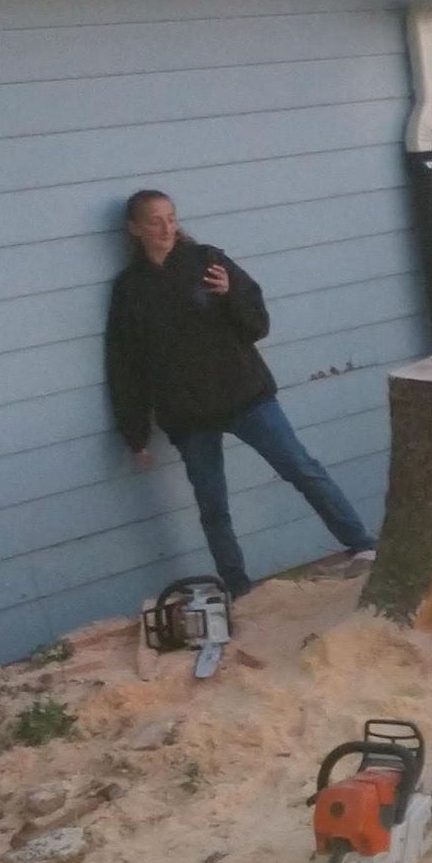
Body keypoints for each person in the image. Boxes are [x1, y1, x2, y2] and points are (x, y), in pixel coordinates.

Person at [105, 189, 375, 609]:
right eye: (155, 221)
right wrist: (135, 433)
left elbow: (257, 324)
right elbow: (124, 365)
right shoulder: (129, 290)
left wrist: (231, 293)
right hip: (188, 415)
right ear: (135, 229)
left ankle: (362, 545)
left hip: (245, 396)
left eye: (172, 218)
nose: (166, 228)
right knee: (212, 504)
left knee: (301, 468)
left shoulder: (206, 261)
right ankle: (238, 588)